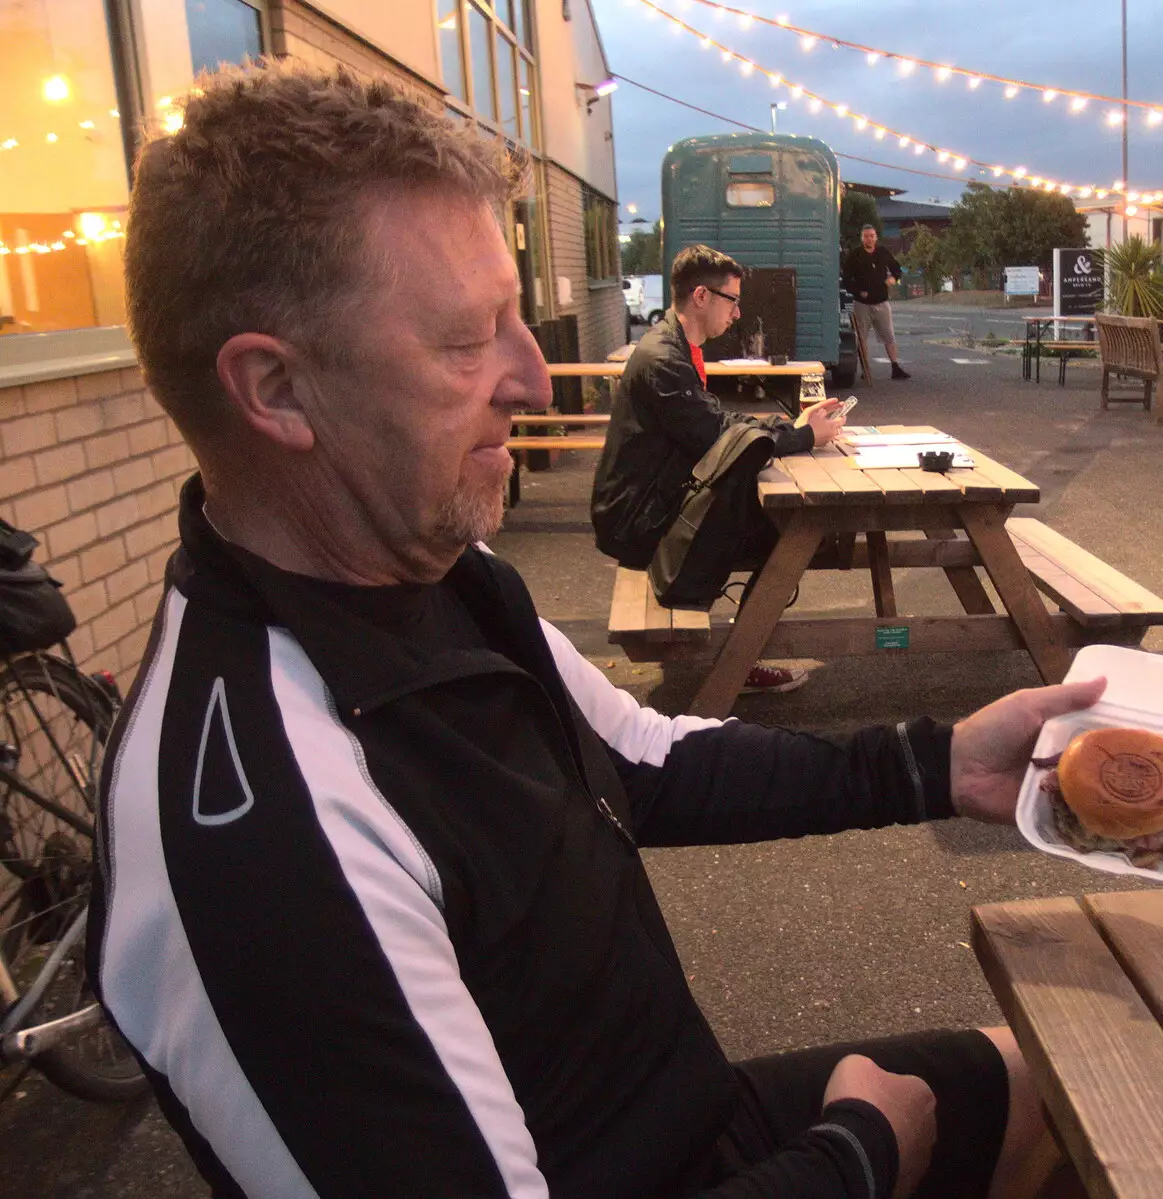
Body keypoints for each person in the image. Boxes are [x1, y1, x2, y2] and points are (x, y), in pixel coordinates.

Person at [89, 61, 1104, 1199]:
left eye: (518, 317)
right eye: (466, 341)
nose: (531, 376)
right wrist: (862, 1150)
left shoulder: (443, 571)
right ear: (276, 389)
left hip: (688, 1117)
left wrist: (936, 760)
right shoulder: (267, 835)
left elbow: (641, 757)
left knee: (1068, 1083)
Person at [592, 244, 846, 695]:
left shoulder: (672, 345)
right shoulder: (663, 360)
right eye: (732, 300)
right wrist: (804, 436)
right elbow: (720, 437)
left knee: (781, 525)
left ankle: (742, 652)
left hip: (648, 500)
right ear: (702, 297)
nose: (737, 312)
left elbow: (717, 423)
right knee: (788, 535)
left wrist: (794, 426)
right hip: (637, 521)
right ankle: (739, 664)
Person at [841, 225, 910, 380]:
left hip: (881, 301)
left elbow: (896, 268)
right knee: (862, 337)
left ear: (876, 237)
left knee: (889, 335)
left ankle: (895, 367)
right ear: (862, 238)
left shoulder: (883, 252)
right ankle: (866, 370)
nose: (869, 239)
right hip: (862, 303)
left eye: (872, 236)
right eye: (866, 236)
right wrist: (858, 291)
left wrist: (894, 278)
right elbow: (846, 278)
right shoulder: (855, 255)